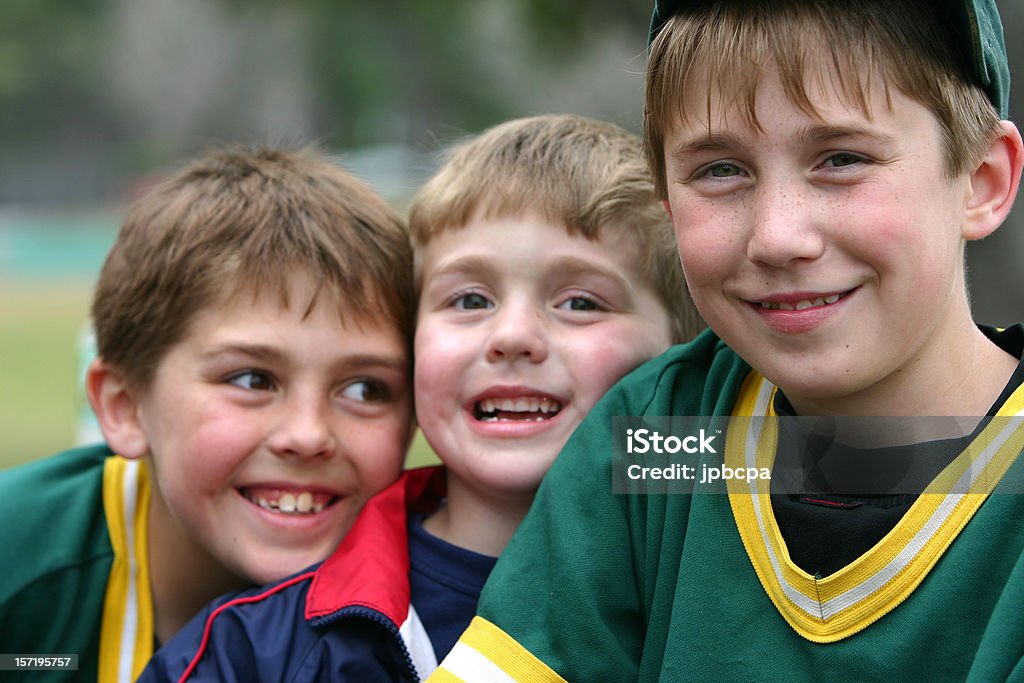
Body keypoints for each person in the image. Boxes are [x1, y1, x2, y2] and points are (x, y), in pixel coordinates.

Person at [431, 1, 1024, 681]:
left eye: (841, 158)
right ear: (667, 200)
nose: (777, 236)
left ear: (982, 180)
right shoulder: (663, 439)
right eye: (720, 170)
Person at [137, 113, 704, 682]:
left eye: (580, 303)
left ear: (683, 349)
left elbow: (784, 458)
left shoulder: (735, 559)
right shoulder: (252, 652)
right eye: (470, 300)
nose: (512, 337)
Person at [0, 146, 417, 683]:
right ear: (124, 406)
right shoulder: (19, 572)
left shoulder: (454, 598)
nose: (309, 434)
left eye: (366, 389)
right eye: (252, 380)